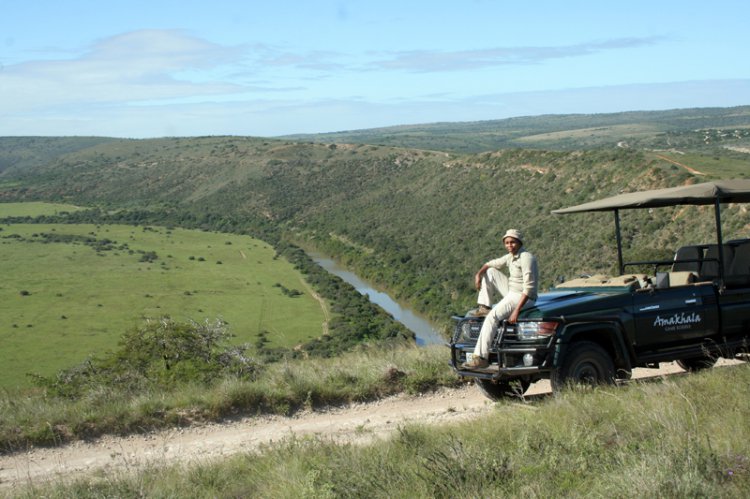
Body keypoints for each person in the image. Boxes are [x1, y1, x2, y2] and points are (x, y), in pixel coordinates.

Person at [463, 229, 539, 369]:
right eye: (507, 243)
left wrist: (517, 310)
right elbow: (492, 263)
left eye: (512, 242)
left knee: (492, 318)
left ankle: (481, 357)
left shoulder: (526, 258)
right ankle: (485, 306)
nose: (509, 245)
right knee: (490, 271)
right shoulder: (511, 256)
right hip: (512, 291)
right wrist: (478, 274)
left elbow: (529, 287)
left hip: (524, 296)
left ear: (519, 243)